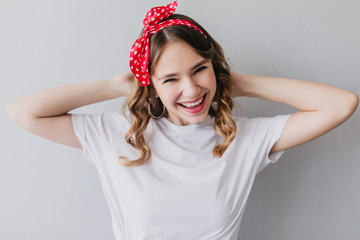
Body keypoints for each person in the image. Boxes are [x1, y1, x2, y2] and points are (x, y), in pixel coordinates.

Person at [6, 1, 358, 239]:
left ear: (214, 67)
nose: (190, 89)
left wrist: (235, 82)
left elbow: (342, 104)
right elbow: (23, 112)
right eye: (170, 79)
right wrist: (116, 85)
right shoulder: (116, 135)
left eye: (199, 70)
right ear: (153, 87)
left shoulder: (245, 139)